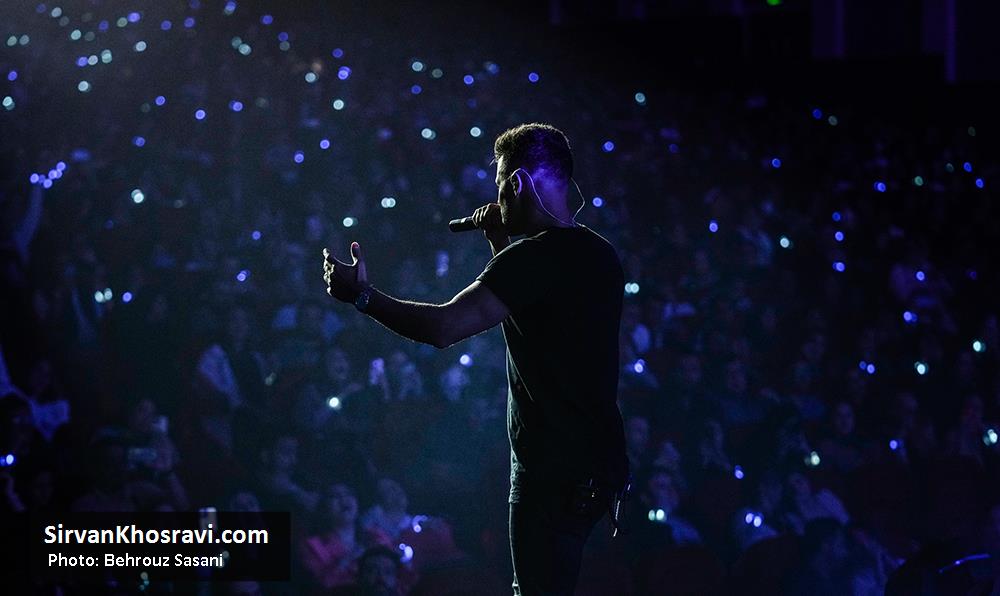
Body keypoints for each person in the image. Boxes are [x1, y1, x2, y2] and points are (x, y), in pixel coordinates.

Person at [322, 123, 629, 595]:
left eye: (500, 184)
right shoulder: (600, 254)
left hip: (549, 473)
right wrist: (499, 245)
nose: (497, 199)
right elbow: (542, 320)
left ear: (518, 184)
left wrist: (363, 296)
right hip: (599, 469)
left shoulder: (531, 260)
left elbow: (443, 328)